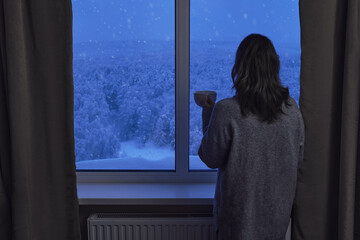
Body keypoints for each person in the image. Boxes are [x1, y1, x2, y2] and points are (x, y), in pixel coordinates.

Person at [198, 34, 304, 240]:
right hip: (277, 222)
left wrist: (208, 112)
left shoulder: (227, 110)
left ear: (240, 67)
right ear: (274, 67)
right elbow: (298, 158)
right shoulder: (292, 110)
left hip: (236, 224)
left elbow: (210, 157)